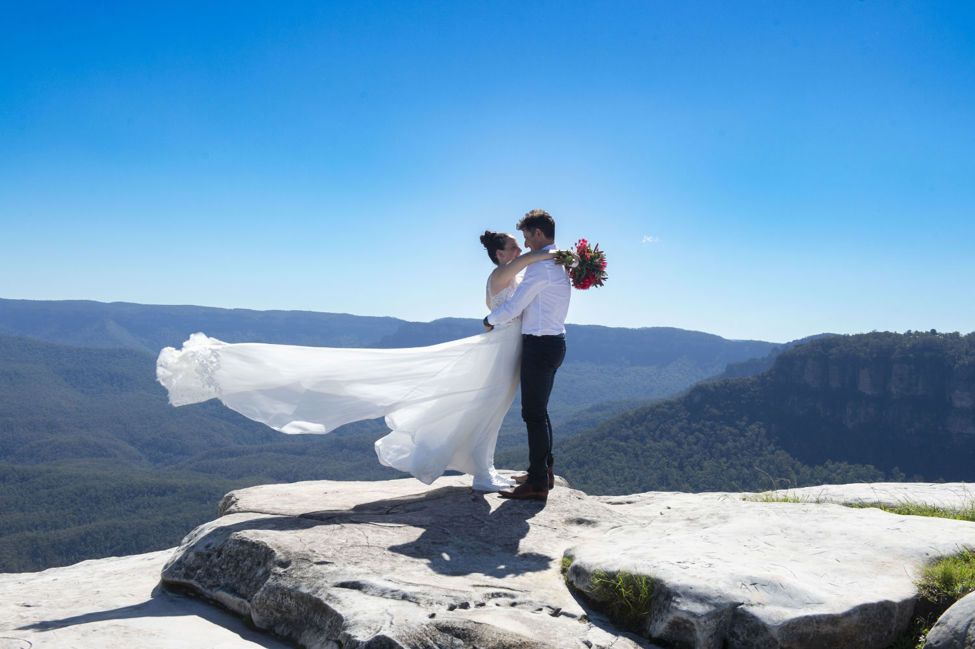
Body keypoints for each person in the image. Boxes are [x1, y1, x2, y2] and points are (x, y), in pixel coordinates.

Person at [155, 230, 555, 492]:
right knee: (486, 405)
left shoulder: (514, 274)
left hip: (508, 349)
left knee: (491, 408)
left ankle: (483, 468)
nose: (519, 251)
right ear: (500, 253)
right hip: (499, 351)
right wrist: (555, 254)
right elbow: (525, 267)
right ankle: (482, 473)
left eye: (520, 246)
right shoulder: (503, 274)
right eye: (513, 246)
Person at [483, 210, 570, 501]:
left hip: (540, 344)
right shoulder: (557, 260)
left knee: (532, 413)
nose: (525, 244)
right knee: (540, 411)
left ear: (538, 234)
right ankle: (542, 471)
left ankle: (537, 483)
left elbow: (515, 306)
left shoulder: (541, 267)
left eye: (526, 237)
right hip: (554, 340)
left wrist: (489, 320)